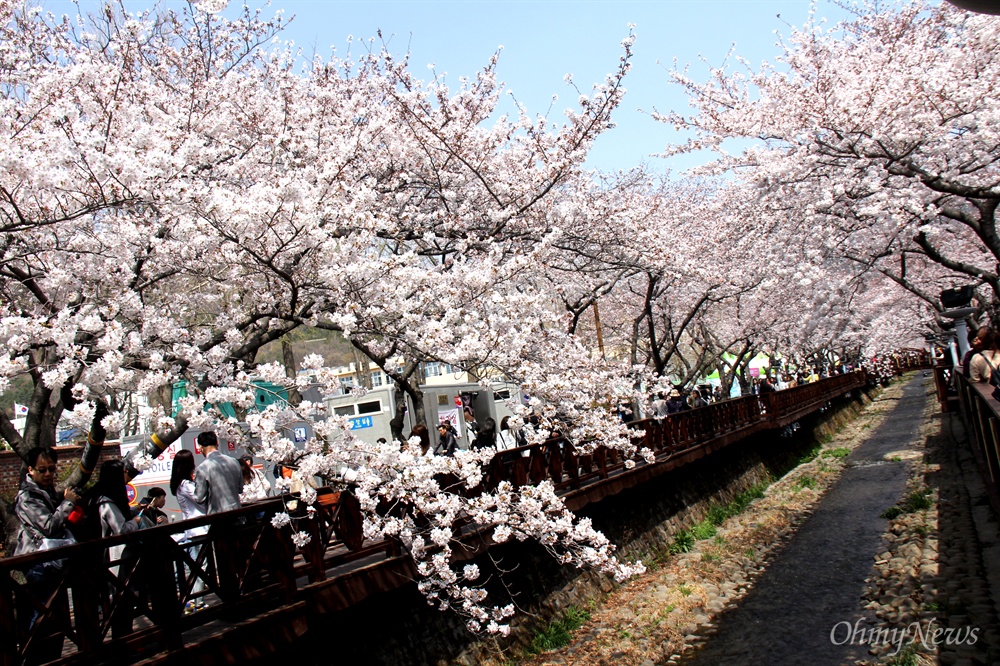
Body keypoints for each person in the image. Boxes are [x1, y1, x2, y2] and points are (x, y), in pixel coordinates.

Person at [13, 447, 81, 557]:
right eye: (42, 470)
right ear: (31, 470)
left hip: (53, 554)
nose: (48, 474)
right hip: (36, 558)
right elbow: (49, 527)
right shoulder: (28, 496)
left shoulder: (47, 490)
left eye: (51, 469)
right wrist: (68, 503)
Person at [170, 449, 208, 613]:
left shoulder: (181, 484)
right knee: (199, 566)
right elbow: (201, 499)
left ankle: (194, 600)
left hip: (194, 529)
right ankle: (196, 601)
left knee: (196, 566)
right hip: (197, 529)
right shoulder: (185, 485)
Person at [193, 431, 244, 514]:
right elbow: (240, 489)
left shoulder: (202, 468)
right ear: (217, 443)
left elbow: (199, 498)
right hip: (237, 513)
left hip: (217, 517)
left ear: (201, 447)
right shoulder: (234, 461)